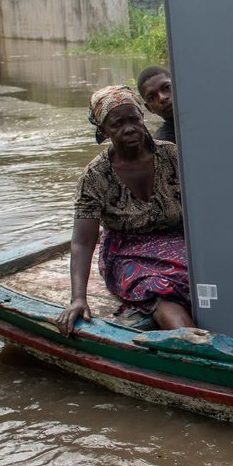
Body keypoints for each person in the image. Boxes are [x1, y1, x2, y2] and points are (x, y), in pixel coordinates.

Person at [55, 85, 193, 335]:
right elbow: (83, 242)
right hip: (126, 251)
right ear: (103, 131)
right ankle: (196, 346)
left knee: (205, 276)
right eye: (117, 124)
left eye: (133, 119)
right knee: (157, 287)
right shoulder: (95, 176)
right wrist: (78, 298)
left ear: (142, 118)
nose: (129, 128)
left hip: (178, 240)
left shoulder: (172, 155)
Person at [137, 66, 175, 143]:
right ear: (149, 108)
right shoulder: (163, 143)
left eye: (167, 87)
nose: (162, 98)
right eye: (151, 98)